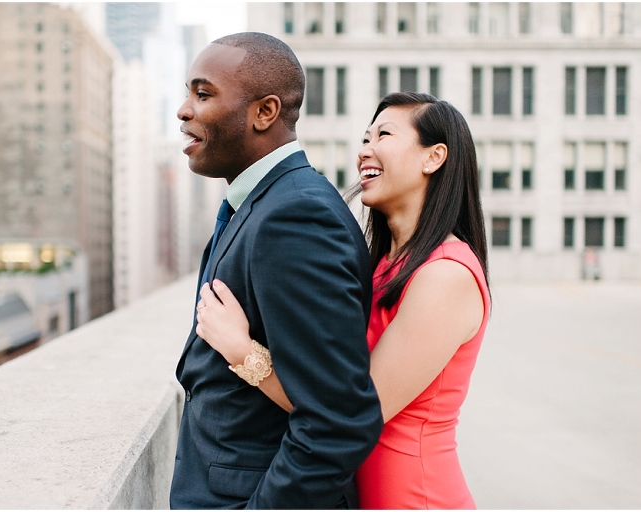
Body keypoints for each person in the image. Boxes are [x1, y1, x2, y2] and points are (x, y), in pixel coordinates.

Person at [196, 92, 491, 509]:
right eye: (365, 138)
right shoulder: (384, 264)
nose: (364, 151)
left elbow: (352, 412)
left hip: (416, 500)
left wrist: (243, 353)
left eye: (383, 135)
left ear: (434, 157)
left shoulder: (446, 273)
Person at [169, 32, 383, 509]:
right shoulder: (262, 205)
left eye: (203, 94)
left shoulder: (295, 217)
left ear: (264, 112)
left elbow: (336, 423)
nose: (184, 110)